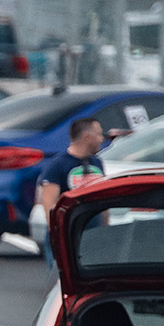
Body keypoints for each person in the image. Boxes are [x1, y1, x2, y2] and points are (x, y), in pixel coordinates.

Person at [33, 116, 107, 271]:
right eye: (99, 134)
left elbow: (104, 199)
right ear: (87, 137)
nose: (102, 139)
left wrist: (105, 228)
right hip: (67, 234)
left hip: (91, 234)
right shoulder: (57, 165)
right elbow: (49, 204)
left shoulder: (97, 163)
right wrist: (57, 234)